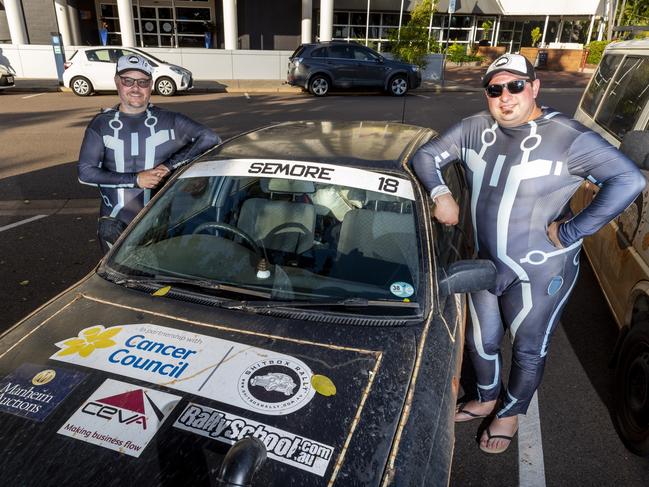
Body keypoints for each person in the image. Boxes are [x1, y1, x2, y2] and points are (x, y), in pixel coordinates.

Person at [412, 54, 646, 454]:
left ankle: (510, 411)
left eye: (515, 86)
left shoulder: (567, 137)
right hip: (486, 264)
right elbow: (426, 156)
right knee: (481, 342)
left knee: (528, 347)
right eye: (495, 89)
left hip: (541, 271)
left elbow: (628, 179)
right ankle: (486, 397)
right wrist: (441, 194)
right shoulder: (474, 128)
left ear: (535, 87)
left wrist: (573, 229)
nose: (505, 97)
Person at [78, 53, 220, 252]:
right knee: (114, 281)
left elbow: (210, 138)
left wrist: (168, 166)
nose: (136, 87)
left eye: (143, 82)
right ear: (117, 82)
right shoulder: (101, 124)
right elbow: (85, 172)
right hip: (114, 223)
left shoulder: (169, 119)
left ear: (151, 85)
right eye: (128, 81)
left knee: (154, 277)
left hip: (157, 223)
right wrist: (136, 179)